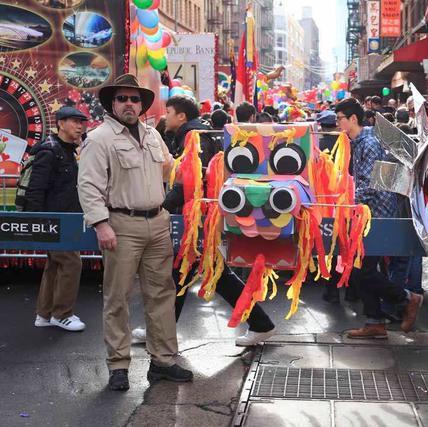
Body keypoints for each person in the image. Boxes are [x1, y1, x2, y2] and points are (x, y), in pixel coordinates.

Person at [78, 74, 193, 391]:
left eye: (134, 99)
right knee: (118, 298)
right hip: (121, 226)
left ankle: (163, 362)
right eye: (122, 98)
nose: (129, 104)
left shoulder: (153, 136)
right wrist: (101, 224)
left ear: (142, 105)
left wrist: (202, 163)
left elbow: (170, 169)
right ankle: (118, 366)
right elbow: (88, 186)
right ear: (112, 104)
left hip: (158, 222)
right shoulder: (100, 138)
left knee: (162, 294)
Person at [148, 94, 276, 347]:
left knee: (187, 271)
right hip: (200, 216)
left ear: (182, 116)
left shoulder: (194, 137)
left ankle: (162, 333)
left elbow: (191, 181)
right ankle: (261, 324)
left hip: (198, 217)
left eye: (169, 112)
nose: (166, 116)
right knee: (205, 273)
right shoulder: (196, 134)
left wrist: (163, 205)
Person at [334, 98, 422, 339]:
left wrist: (343, 200)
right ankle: (375, 322)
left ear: (353, 119)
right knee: (362, 268)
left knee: (362, 269)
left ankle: (407, 298)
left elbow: (371, 185)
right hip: (365, 213)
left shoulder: (369, 142)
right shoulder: (358, 141)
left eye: (339, 118)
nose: (337, 122)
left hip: (377, 214)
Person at [28, 107, 88, 332]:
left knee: (54, 265)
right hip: (54, 221)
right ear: (61, 124)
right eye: (75, 121)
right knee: (71, 262)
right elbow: (36, 189)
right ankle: (62, 314)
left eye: (82, 122)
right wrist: (39, 223)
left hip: (64, 219)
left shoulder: (68, 150)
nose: (80, 126)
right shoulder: (49, 150)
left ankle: (44, 314)